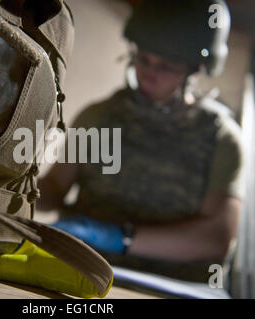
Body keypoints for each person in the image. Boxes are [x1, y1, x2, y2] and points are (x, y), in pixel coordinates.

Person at [38, 0, 244, 282]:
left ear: (195, 69)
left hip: (168, 284)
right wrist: (11, 182)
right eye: (143, 59)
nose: (149, 73)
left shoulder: (221, 138)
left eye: (166, 66)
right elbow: (54, 188)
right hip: (86, 272)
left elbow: (216, 237)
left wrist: (119, 237)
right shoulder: (100, 116)